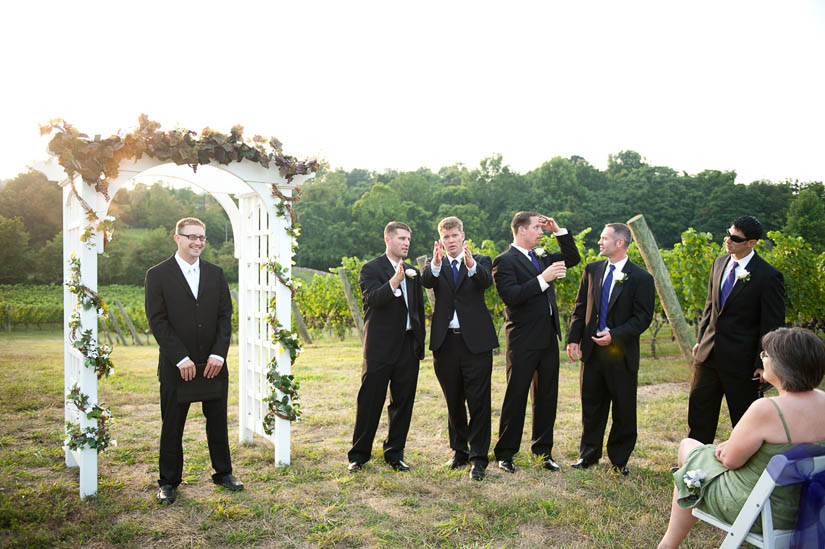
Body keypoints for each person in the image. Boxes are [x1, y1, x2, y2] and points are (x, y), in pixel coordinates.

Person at [658, 327, 825, 548]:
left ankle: (668, 544)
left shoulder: (767, 409)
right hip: (808, 507)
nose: (762, 357)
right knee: (694, 462)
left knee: (688, 451)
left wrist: (726, 449)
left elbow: (730, 461)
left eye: (766, 354)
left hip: (762, 509)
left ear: (784, 365)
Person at [145, 217, 242, 505]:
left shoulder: (215, 273)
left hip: (213, 364)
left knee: (217, 421)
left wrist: (218, 354)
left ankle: (223, 473)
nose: (197, 242)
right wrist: (180, 357)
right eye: (191, 237)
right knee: (172, 424)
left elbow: (226, 316)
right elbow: (157, 320)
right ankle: (169, 481)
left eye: (201, 237)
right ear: (177, 238)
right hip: (177, 367)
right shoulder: (158, 274)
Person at [492, 211, 580, 473]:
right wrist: (544, 279)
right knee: (516, 395)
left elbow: (572, 258)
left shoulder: (541, 255)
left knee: (547, 396)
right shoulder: (504, 261)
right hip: (522, 339)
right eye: (536, 228)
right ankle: (505, 453)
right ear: (520, 230)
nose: (540, 233)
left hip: (548, 337)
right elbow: (512, 296)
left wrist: (558, 232)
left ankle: (543, 451)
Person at [566, 223, 654, 476]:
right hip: (592, 352)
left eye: (604, 238)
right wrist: (574, 338)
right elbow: (580, 307)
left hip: (621, 353)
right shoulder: (592, 270)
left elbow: (643, 318)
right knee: (591, 405)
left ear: (620, 243)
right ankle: (588, 455)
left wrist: (614, 335)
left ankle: (619, 459)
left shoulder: (641, 278)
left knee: (624, 409)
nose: (599, 242)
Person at [688, 215, 785, 444]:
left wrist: (763, 363)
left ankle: (743, 468)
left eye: (734, 238)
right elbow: (710, 307)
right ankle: (694, 462)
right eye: (728, 233)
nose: (727, 240)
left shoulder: (768, 276)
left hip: (742, 363)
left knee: (743, 419)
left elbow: (772, 325)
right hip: (709, 354)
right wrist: (701, 339)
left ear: (751, 242)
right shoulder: (719, 263)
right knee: (699, 412)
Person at [422, 216, 499, 481]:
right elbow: (426, 282)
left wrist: (471, 266)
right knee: (453, 400)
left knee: (478, 401)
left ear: (463, 236)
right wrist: (433, 264)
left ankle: (479, 458)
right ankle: (459, 452)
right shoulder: (435, 265)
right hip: (445, 344)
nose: (451, 241)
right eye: (446, 237)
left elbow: (486, 282)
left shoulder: (481, 261)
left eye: (455, 236)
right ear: (441, 241)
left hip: (475, 343)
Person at [347, 221, 426, 473]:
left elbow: (417, 309)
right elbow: (372, 300)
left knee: (403, 403)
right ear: (388, 240)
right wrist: (394, 281)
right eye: (401, 238)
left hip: (407, 346)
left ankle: (394, 453)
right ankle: (359, 456)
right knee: (370, 401)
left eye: (408, 240)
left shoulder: (413, 271)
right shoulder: (371, 268)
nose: (406, 243)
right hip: (379, 347)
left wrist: (419, 343)